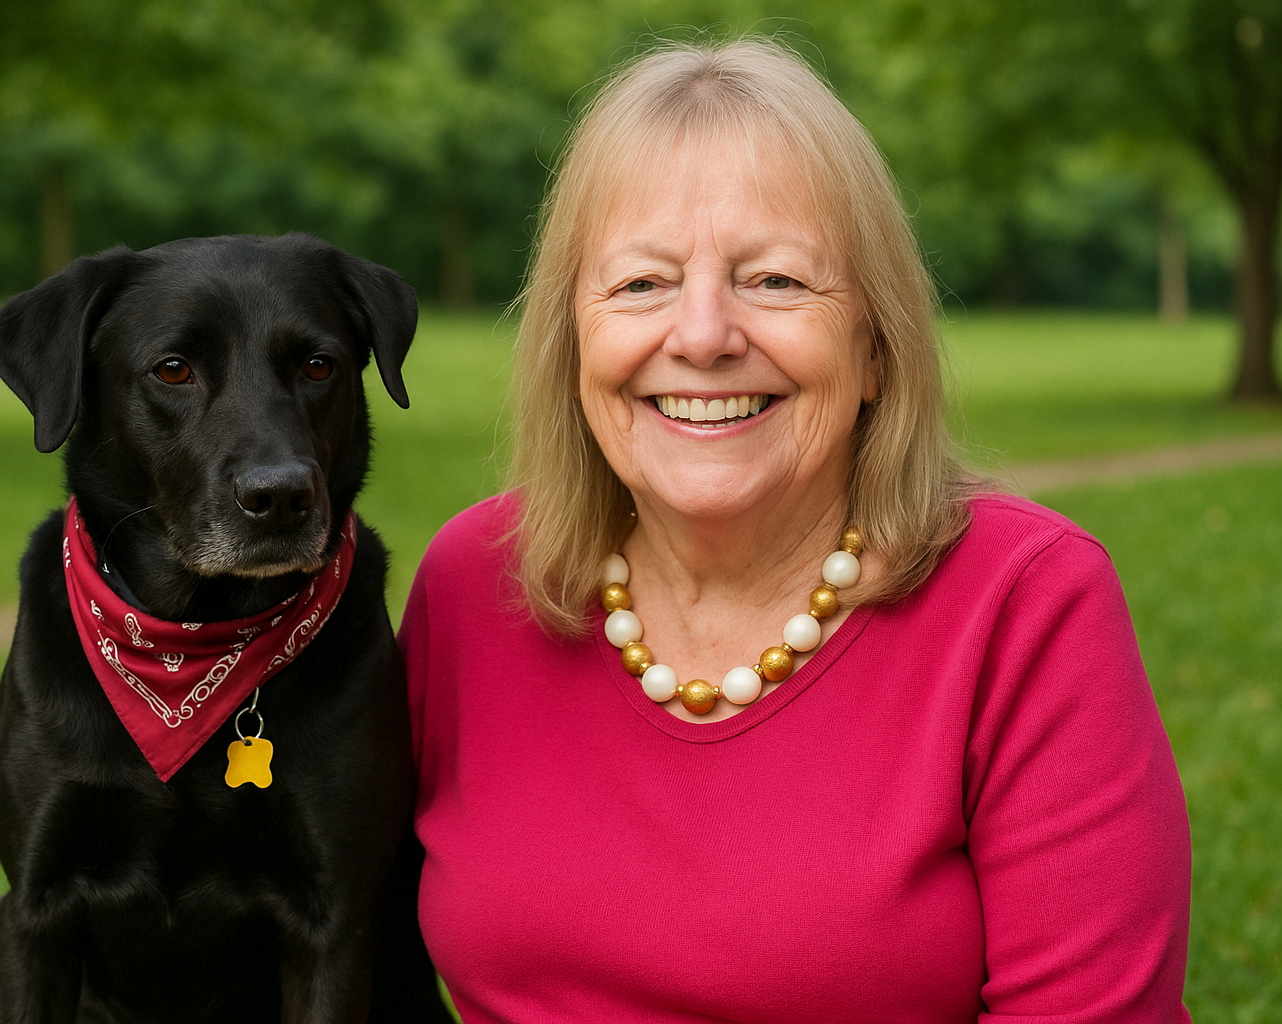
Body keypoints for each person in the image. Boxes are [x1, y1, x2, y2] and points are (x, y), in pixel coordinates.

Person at [399, 38, 1191, 1023]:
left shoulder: (1026, 600)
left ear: (874, 347)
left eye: (774, 281)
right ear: (571, 348)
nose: (700, 334)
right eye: (641, 283)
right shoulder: (474, 583)